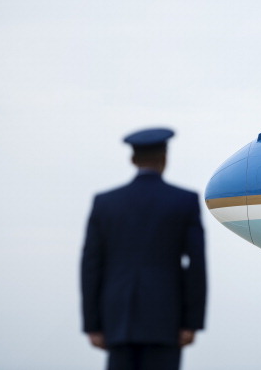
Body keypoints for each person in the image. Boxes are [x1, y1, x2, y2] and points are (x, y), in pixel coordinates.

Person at [81, 128, 207, 370]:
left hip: (117, 320)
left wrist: (93, 325)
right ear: (165, 158)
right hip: (166, 320)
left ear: (132, 160)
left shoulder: (105, 202)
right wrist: (191, 323)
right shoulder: (185, 200)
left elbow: (91, 266)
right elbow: (196, 265)